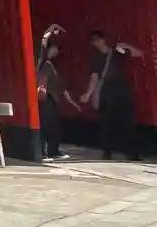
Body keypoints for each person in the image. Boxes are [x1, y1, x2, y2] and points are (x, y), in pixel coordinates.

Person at [82, 31, 144, 162]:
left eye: (98, 40)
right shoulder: (95, 58)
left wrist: (126, 45)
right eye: (94, 41)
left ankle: (130, 152)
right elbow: (94, 77)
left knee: (126, 122)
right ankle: (108, 151)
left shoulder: (117, 52)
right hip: (107, 91)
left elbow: (139, 53)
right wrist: (88, 94)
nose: (96, 43)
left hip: (121, 90)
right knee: (107, 123)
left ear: (104, 39)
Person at [36, 25, 78, 161]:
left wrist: (70, 100)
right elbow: (43, 44)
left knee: (54, 126)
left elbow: (59, 85)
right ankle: (42, 153)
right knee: (45, 125)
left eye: (57, 49)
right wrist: (49, 32)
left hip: (53, 98)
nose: (55, 51)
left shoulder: (52, 65)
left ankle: (53, 151)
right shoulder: (42, 62)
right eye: (53, 48)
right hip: (44, 97)